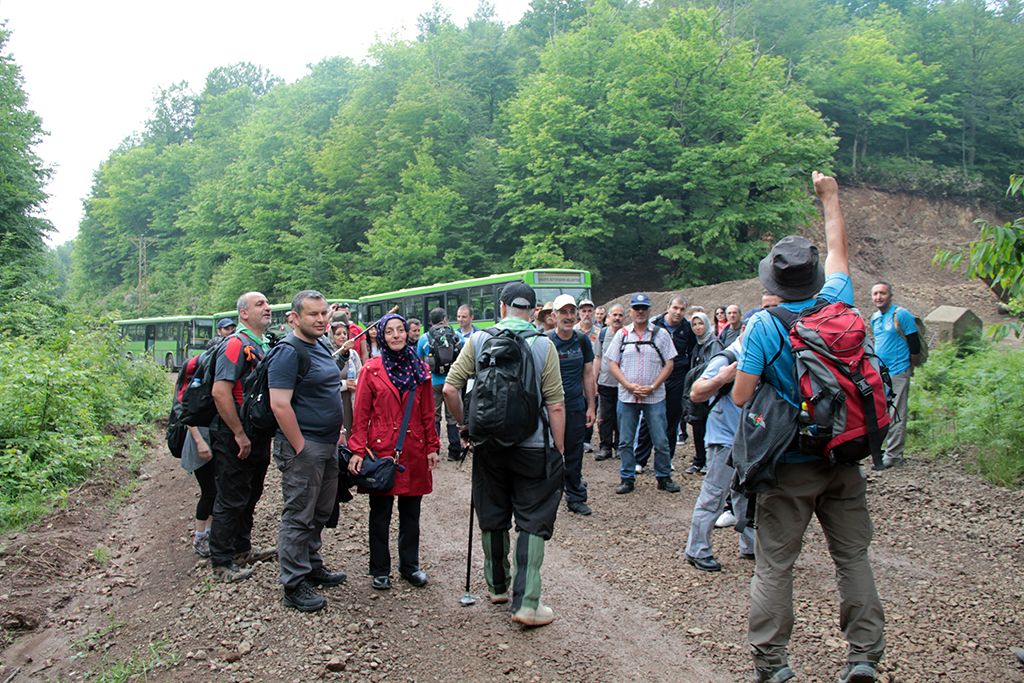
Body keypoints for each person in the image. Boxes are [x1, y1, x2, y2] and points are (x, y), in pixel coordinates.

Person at [731, 172, 885, 683]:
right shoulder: (841, 298)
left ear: (772, 284)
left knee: (775, 564)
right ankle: (863, 657)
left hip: (791, 464)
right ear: (816, 275)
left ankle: (773, 663)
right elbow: (839, 244)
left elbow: (741, 395)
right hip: (844, 456)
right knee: (853, 558)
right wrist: (830, 196)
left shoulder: (765, 324)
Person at [442, 281, 566, 627]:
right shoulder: (544, 345)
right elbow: (555, 404)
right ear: (533, 310)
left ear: (501, 307)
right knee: (532, 517)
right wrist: (560, 449)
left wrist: (465, 426)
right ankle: (527, 604)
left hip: (488, 445)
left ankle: (497, 586)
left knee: (493, 510)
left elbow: (451, 389)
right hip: (533, 447)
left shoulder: (478, 340)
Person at [268, 291, 348, 611]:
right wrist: (300, 447)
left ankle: (311, 565)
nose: (320, 319)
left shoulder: (320, 345)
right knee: (299, 514)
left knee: (319, 512)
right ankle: (293, 584)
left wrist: (337, 431)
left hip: (327, 444)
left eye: (324, 314)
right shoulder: (288, 351)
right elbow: (279, 403)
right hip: (305, 447)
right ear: (294, 318)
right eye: (313, 314)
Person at [348, 314, 440, 590]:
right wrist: (357, 450)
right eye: (390, 331)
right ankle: (379, 568)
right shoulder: (371, 369)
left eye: (400, 330)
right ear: (381, 336)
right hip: (382, 449)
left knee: (411, 513)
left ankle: (409, 566)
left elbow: (427, 413)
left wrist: (432, 446)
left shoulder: (420, 369)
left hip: (414, 448)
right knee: (380, 513)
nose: (397, 335)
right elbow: (361, 413)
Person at [208, 292, 277, 583]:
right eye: (259, 304)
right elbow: (220, 392)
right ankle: (221, 561)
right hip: (234, 435)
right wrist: (238, 433)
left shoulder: (260, 343)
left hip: (256, 433)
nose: (268, 307)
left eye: (267, 303)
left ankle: (241, 549)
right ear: (243, 314)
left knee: (250, 493)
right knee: (231, 497)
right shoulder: (235, 344)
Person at [684, 330, 755, 572]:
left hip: (747, 439)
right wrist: (721, 378)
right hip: (724, 439)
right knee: (714, 494)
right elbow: (696, 392)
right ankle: (697, 550)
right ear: (745, 331)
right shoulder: (726, 358)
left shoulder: (757, 354)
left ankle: (750, 547)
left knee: (745, 495)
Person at [606, 293, 679, 494]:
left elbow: (670, 363)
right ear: (630, 311)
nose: (640, 311)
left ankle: (664, 477)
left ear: (649, 310)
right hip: (627, 397)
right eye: (636, 308)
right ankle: (627, 477)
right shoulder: (622, 335)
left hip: (654, 397)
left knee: (661, 440)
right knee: (625, 441)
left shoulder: (661, 334)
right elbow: (612, 363)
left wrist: (654, 386)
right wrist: (627, 385)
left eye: (643, 308)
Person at [634, 295, 695, 471]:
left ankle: (665, 460)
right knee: (648, 417)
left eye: (682, 309)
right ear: (668, 307)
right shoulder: (654, 324)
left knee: (672, 419)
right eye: (675, 308)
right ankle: (640, 460)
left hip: (677, 377)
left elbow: (690, 352)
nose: (678, 312)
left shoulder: (687, 329)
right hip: (656, 375)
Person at [547, 295, 596, 515]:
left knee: (575, 453)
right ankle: (548, 497)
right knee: (549, 453)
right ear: (553, 316)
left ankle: (575, 497)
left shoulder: (582, 340)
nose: (568, 317)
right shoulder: (545, 340)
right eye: (563, 312)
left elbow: (588, 374)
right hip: (550, 409)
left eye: (571, 312)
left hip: (575, 407)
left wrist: (591, 406)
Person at [870, 282, 920, 469]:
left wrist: (910, 367)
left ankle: (894, 456)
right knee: (881, 412)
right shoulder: (875, 317)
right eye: (875, 293)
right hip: (880, 373)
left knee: (897, 413)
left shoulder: (902, 314)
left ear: (890, 295)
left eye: (882, 293)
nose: (879, 297)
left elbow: (914, 343)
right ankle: (883, 450)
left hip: (898, 371)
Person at [417, 308, 463, 462]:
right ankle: (454, 451)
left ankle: (435, 450)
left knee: (434, 416)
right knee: (452, 417)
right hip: (452, 381)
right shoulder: (455, 334)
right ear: (445, 319)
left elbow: (419, 359)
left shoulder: (424, 338)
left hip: (433, 381)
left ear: (430, 322)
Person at [684, 311, 724, 475]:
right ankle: (699, 460)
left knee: (708, 426)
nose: (697, 327)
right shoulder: (697, 344)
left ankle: (709, 461)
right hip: (697, 390)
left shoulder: (714, 344)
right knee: (697, 425)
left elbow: (712, 367)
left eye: (700, 323)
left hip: (709, 391)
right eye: (694, 324)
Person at [594, 304, 625, 461]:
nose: (617, 318)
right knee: (605, 417)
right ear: (608, 317)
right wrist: (594, 382)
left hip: (623, 384)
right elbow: (597, 357)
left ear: (624, 318)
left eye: (620, 315)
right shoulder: (602, 334)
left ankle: (620, 446)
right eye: (614, 315)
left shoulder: (628, 335)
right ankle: (605, 446)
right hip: (605, 382)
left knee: (621, 416)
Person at [182, 426, 216, 557]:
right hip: (200, 446)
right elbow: (186, 417)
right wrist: (199, 441)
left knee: (215, 491)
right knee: (209, 492)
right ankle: (200, 536)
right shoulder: (188, 406)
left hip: (211, 442)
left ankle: (209, 531)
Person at [332, 321, 362, 445]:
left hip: (352, 399)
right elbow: (325, 381)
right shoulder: (329, 355)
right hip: (336, 399)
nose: (343, 336)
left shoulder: (353, 354)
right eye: (338, 334)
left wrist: (355, 384)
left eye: (345, 333)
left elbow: (360, 373)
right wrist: (345, 385)